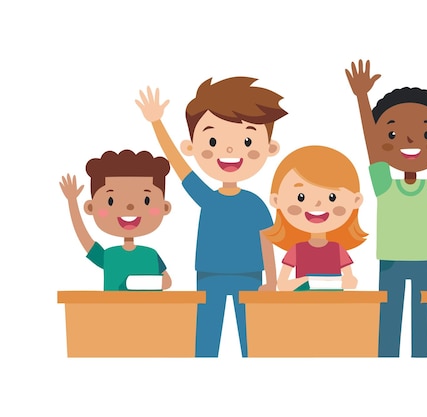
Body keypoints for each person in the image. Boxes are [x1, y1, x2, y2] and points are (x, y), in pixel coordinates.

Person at [135, 77, 287, 357]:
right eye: (214, 140)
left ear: (270, 147)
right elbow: (177, 165)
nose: (230, 150)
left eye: (246, 140)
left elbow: (268, 240)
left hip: (250, 276)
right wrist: (157, 123)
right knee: (205, 340)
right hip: (209, 275)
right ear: (191, 146)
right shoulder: (208, 198)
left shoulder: (255, 205)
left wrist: (272, 281)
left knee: (254, 342)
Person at [345, 58, 427, 357]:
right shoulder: (384, 186)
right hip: (390, 261)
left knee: (425, 325)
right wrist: (362, 98)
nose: (411, 140)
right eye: (392, 134)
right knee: (387, 323)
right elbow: (372, 145)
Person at [59, 149, 173, 291]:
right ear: (90, 207)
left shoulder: (150, 255)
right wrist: (72, 202)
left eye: (146, 200)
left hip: (150, 311)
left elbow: (167, 282)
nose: (129, 206)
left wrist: (138, 284)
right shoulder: (110, 256)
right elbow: (85, 240)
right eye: (111, 201)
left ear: (165, 207)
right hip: (113, 312)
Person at [263, 146, 367, 291]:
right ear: (276, 200)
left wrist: (347, 281)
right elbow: (282, 285)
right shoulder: (296, 250)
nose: (317, 204)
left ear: (356, 201)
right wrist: (306, 281)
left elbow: (351, 282)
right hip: (302, 305)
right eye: (301, 197)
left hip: (334, 304)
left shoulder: (337, 250)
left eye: (332, 197)